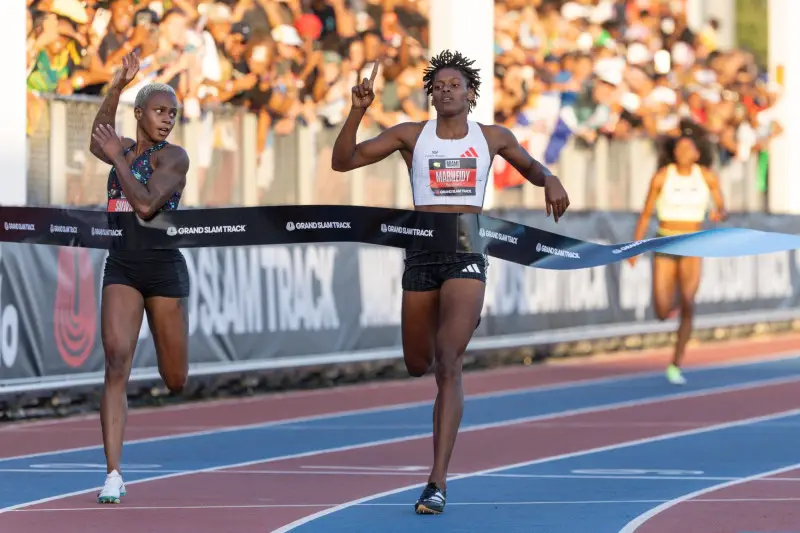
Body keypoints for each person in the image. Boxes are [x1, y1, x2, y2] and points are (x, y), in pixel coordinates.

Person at [331, 49, 570, 515]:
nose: (445, 91)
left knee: (448, 362)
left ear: (470, 94)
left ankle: (436, 481)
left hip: (467, 253)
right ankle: (438, 365)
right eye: (437, 86)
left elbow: (533, 168)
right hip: (421, 254)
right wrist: (357, 111)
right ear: (431, 96)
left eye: (453, 85)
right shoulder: (410, 136)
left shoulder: (493, 137)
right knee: (417, 361)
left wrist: (551, 178)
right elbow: (344, 162)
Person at [88, 52, 191, 504]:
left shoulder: (175, 157)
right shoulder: (121, 147)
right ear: (140, 113)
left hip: (163, 268)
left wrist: (119, 160)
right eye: (160, 110)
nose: (168, 119)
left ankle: (171, 372)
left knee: (175, 380)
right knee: (115, 360)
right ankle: (113, 473)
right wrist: (117, 84)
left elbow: (147, 204)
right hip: (123, 265)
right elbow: (99, 138)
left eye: (173, 112)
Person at [630, 120, 727, 386]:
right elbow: (646, 213)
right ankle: (671, 304)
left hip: (693, 242)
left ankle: (675, 363)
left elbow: (721, 206)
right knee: (662, 309)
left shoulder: (705, 176)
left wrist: (720, 214)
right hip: (666, 241)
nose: (683, 152)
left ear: (697, 153)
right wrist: (634, 247)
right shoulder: (663, 176)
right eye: (679, 148)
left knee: (689, 303)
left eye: (688, 148)